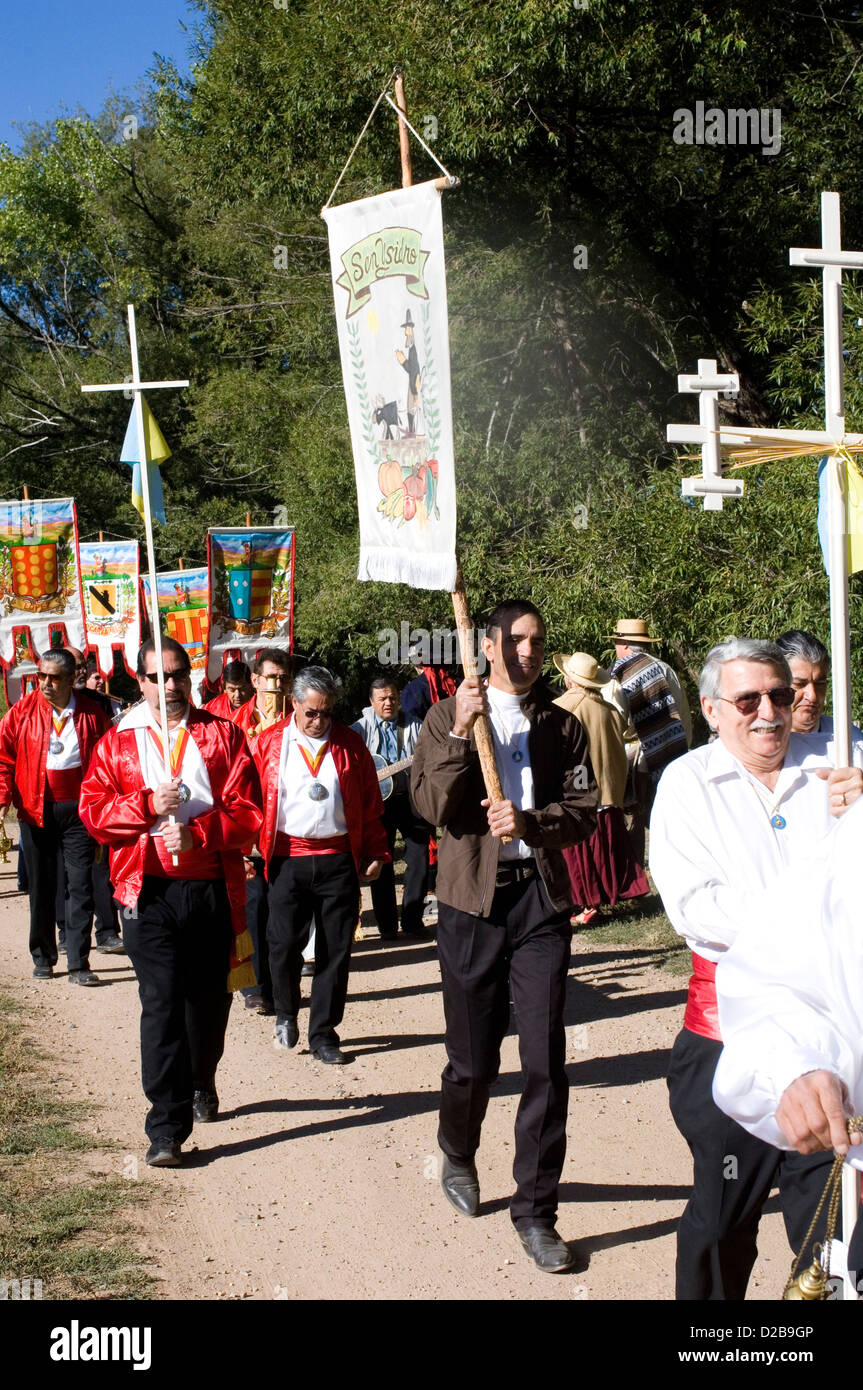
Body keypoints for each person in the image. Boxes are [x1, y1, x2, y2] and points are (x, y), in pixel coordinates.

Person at [649, 636, 863, 1300]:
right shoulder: (686, 783)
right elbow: (697, 910)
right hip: (727, 1043)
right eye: (747, 699)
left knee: (833, 1233)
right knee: (720, 1222)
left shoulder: (841, 762)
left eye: (780, 692)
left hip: (834, 1044)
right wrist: (812, 916)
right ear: (712, 709)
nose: (768, 710)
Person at [411, 600, 597, 1273]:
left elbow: (582, 811)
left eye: (537, 642)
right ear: (487, 645)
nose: (528, 652)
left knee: (546, 1060)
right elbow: (428, 807)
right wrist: (462, 738)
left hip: (540, 905)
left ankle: (536, 1211)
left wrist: (531, 822)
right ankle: (457, 1151)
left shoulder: (562, 725)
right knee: (473, 1062)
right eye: (516, 641)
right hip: (470, 904)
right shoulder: (445, 716)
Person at [79, 637, 263, 1167]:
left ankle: (202, 1076)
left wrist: (201, 834)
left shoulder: (222, 735)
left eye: (179, 674)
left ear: (193, 677)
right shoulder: (118, 742)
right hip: (146, 893)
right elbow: (94, 813)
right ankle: (165, 1124)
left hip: (209, 892)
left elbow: (249, 811)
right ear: (141, 683)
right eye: (158, 677)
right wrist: (144, 804)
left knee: (207, 1004)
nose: (171, 686)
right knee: (160, 1003)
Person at [254, 666, 389, 1065]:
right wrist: (247, 850)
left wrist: (377, 853)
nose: (318, 721)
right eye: (311, 712)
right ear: (294, 703)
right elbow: (248, 802)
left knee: (334, 951)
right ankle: (285, 1011)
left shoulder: (350, 745)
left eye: (326, 713)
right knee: (282, 945)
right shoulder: (268, 744)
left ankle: (325, 1033)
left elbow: (370, 805)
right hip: (286, 859)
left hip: (337, 860)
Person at [0, 648, 110, 983]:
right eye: (41, 676)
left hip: (79, 811)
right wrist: (3, 798)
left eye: (54, 677)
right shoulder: (22, 712)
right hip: (36, 809)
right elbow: (3, 759)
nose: (46, 684)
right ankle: (43, 956)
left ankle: (78, 962)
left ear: (72, 677)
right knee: (42, 887)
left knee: (81, 886)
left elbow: (109, 762)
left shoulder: (92, 713)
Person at [552, 651, 649, 925]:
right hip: (608, 790)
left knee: (580, 850)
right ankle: (608, 895)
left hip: (578, 791)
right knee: (605, 847)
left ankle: (587, 903)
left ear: (569, 679)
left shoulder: (560, 708)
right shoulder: (609, 711)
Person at [351, 676, 431, 941]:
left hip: (410, 799)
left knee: (418, 857)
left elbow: (427, 757)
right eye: (382, 699)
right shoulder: (359, 730)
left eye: (392, 697)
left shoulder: (415, 725)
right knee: (382, 861)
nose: (389, 702)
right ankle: (386, 927)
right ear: (372, 702)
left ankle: (412, 920)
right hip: (377, 804)